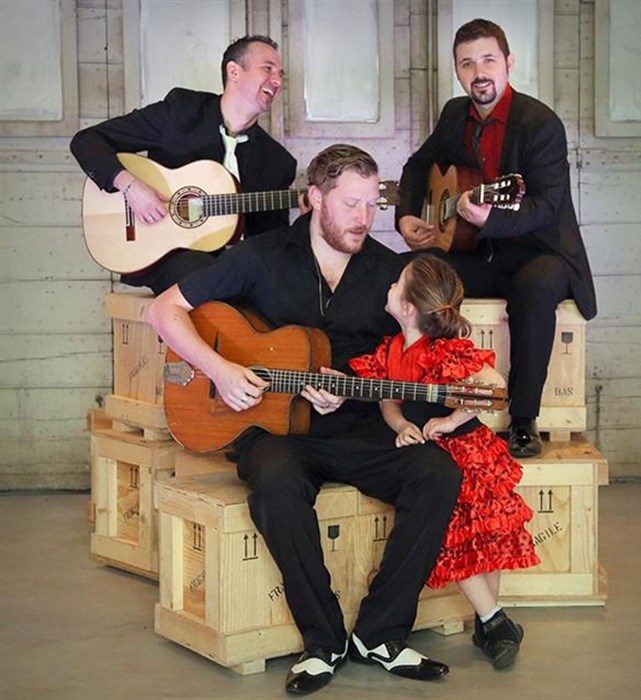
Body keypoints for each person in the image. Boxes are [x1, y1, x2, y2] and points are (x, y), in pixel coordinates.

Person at [146, 144, 461, 695]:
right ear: (315, 198)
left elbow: (409, 354)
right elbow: (163, 310)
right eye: (350, 204)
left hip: (360, 424)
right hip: (275, 428)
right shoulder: (259, 256)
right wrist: (220, 370)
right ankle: (323, 641)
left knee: (438, 474)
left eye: (372, 204)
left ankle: (380, 634)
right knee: (275, 484)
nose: (364, 217)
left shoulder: (393, 272)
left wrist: (368, 388)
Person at [395, 19, 597, 458]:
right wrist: (407, 214)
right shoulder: (455, 115)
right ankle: (422, 405)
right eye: (467, 63)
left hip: (540, 251)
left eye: (488, 60)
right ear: (456, 70)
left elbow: (546, 205)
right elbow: (418, 166)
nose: (479, 72)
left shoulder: (540, 123)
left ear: (509, 62)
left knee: (535, 287)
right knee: (411, 273)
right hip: (478, 251)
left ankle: (523, 420)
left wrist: (491, 218)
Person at [349, 253, 540, 670]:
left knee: (482, 539)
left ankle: (490, 621)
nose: (389, 286)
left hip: (469, 454)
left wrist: (452, 419)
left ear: (408, 308)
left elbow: (493, 386)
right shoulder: (392, 350)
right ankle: (494, 624)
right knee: (456, 536)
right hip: (435, 460)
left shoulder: (442, 351)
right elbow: (388, 400)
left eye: (396, 283)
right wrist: (401, 425)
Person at [71, 35, 297, 294]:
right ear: (234, 71)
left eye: (281, 74)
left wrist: (305, 224)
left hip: (228, 263)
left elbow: (268, 244)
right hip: (164, 254)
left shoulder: (277, 161)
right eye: (268, 69)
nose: (277, 81)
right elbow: (86, 141)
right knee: (206, 275)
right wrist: (131, 187)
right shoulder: (181, 112)